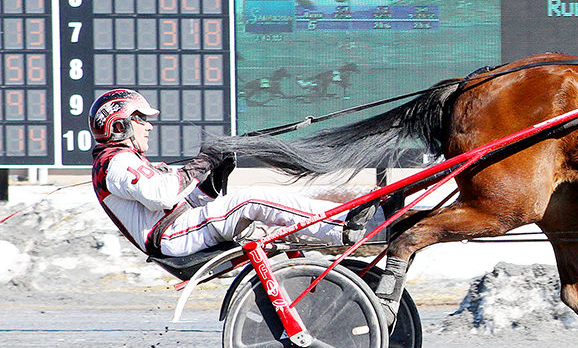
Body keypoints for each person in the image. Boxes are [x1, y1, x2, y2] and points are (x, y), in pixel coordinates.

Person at [89, 89, 374, 258]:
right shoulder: (114, 163)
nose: (149, 126)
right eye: (141, 119)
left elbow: (182, 203)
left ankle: (342, 220)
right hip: (172, 238)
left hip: (179, 228)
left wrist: (214, 176)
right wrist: (201, 163)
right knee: (251, 200)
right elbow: (161, 196)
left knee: (250, 202)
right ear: (118, 125)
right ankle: (342, 224)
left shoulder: (124, 161)